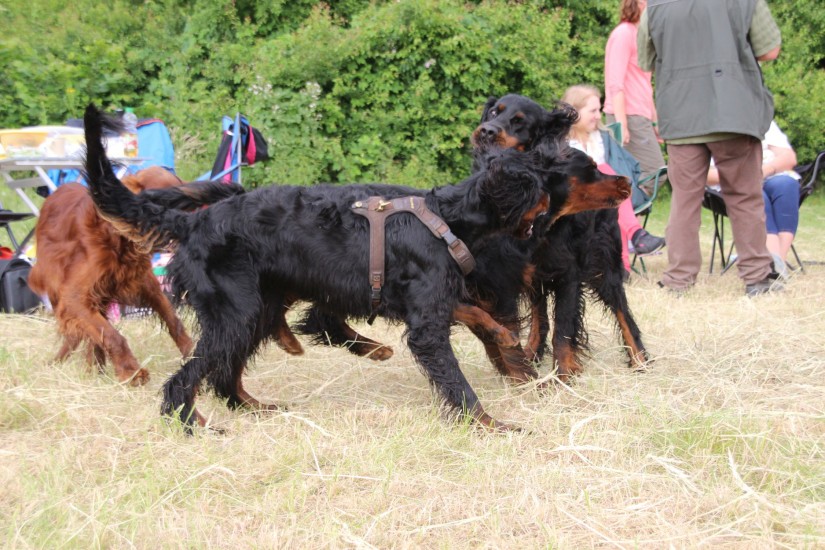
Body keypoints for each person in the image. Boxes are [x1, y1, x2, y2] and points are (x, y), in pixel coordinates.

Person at [637, 0, 782, 296]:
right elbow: (770, 51)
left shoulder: (655, 8)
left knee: (684, 200)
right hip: (733, 112)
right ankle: (757, 277)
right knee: (744, 196)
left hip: (681, 115)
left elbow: (645, 62)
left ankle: (678, 279)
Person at [561, 84, 665, 276]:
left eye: (599, 110)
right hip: (576, 200)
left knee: (610, 188)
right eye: (592, 111)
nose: (598, 116)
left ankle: (622, 268)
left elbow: (624, 168)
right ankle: (636, 235)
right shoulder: (561, 143)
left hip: (608, 198)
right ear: (574, 112)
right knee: (603, 172)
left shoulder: (603, 138)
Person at [708, 120, 799, 275]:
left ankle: (778, 262)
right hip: (732, 182)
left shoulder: (761, 119)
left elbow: (789, 157)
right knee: (755, 196)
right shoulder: (710, 124)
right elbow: (705, 174)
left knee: (787, 185)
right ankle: (774, 264)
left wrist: (763, 171)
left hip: (769, 173)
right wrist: (744, 176)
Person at [604, 0, 666, 183]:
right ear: (637, 3)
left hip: (640, 116)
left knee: (646, 174)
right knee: (654, 172)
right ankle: (629, 203)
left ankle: (630, 203)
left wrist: (655, 122)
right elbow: (615, 83)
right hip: (627, 116)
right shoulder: (623, 33)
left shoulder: (643, 35)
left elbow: (645, 84)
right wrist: (621, 124)